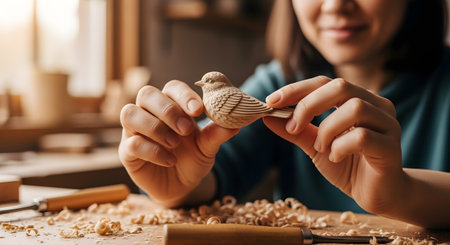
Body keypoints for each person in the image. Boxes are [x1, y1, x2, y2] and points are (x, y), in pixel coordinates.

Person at [119, 0, 450, 228]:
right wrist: (176, 180)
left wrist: (403, 192)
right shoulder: (278, 85)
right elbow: (207, 170)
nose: (335, 4)